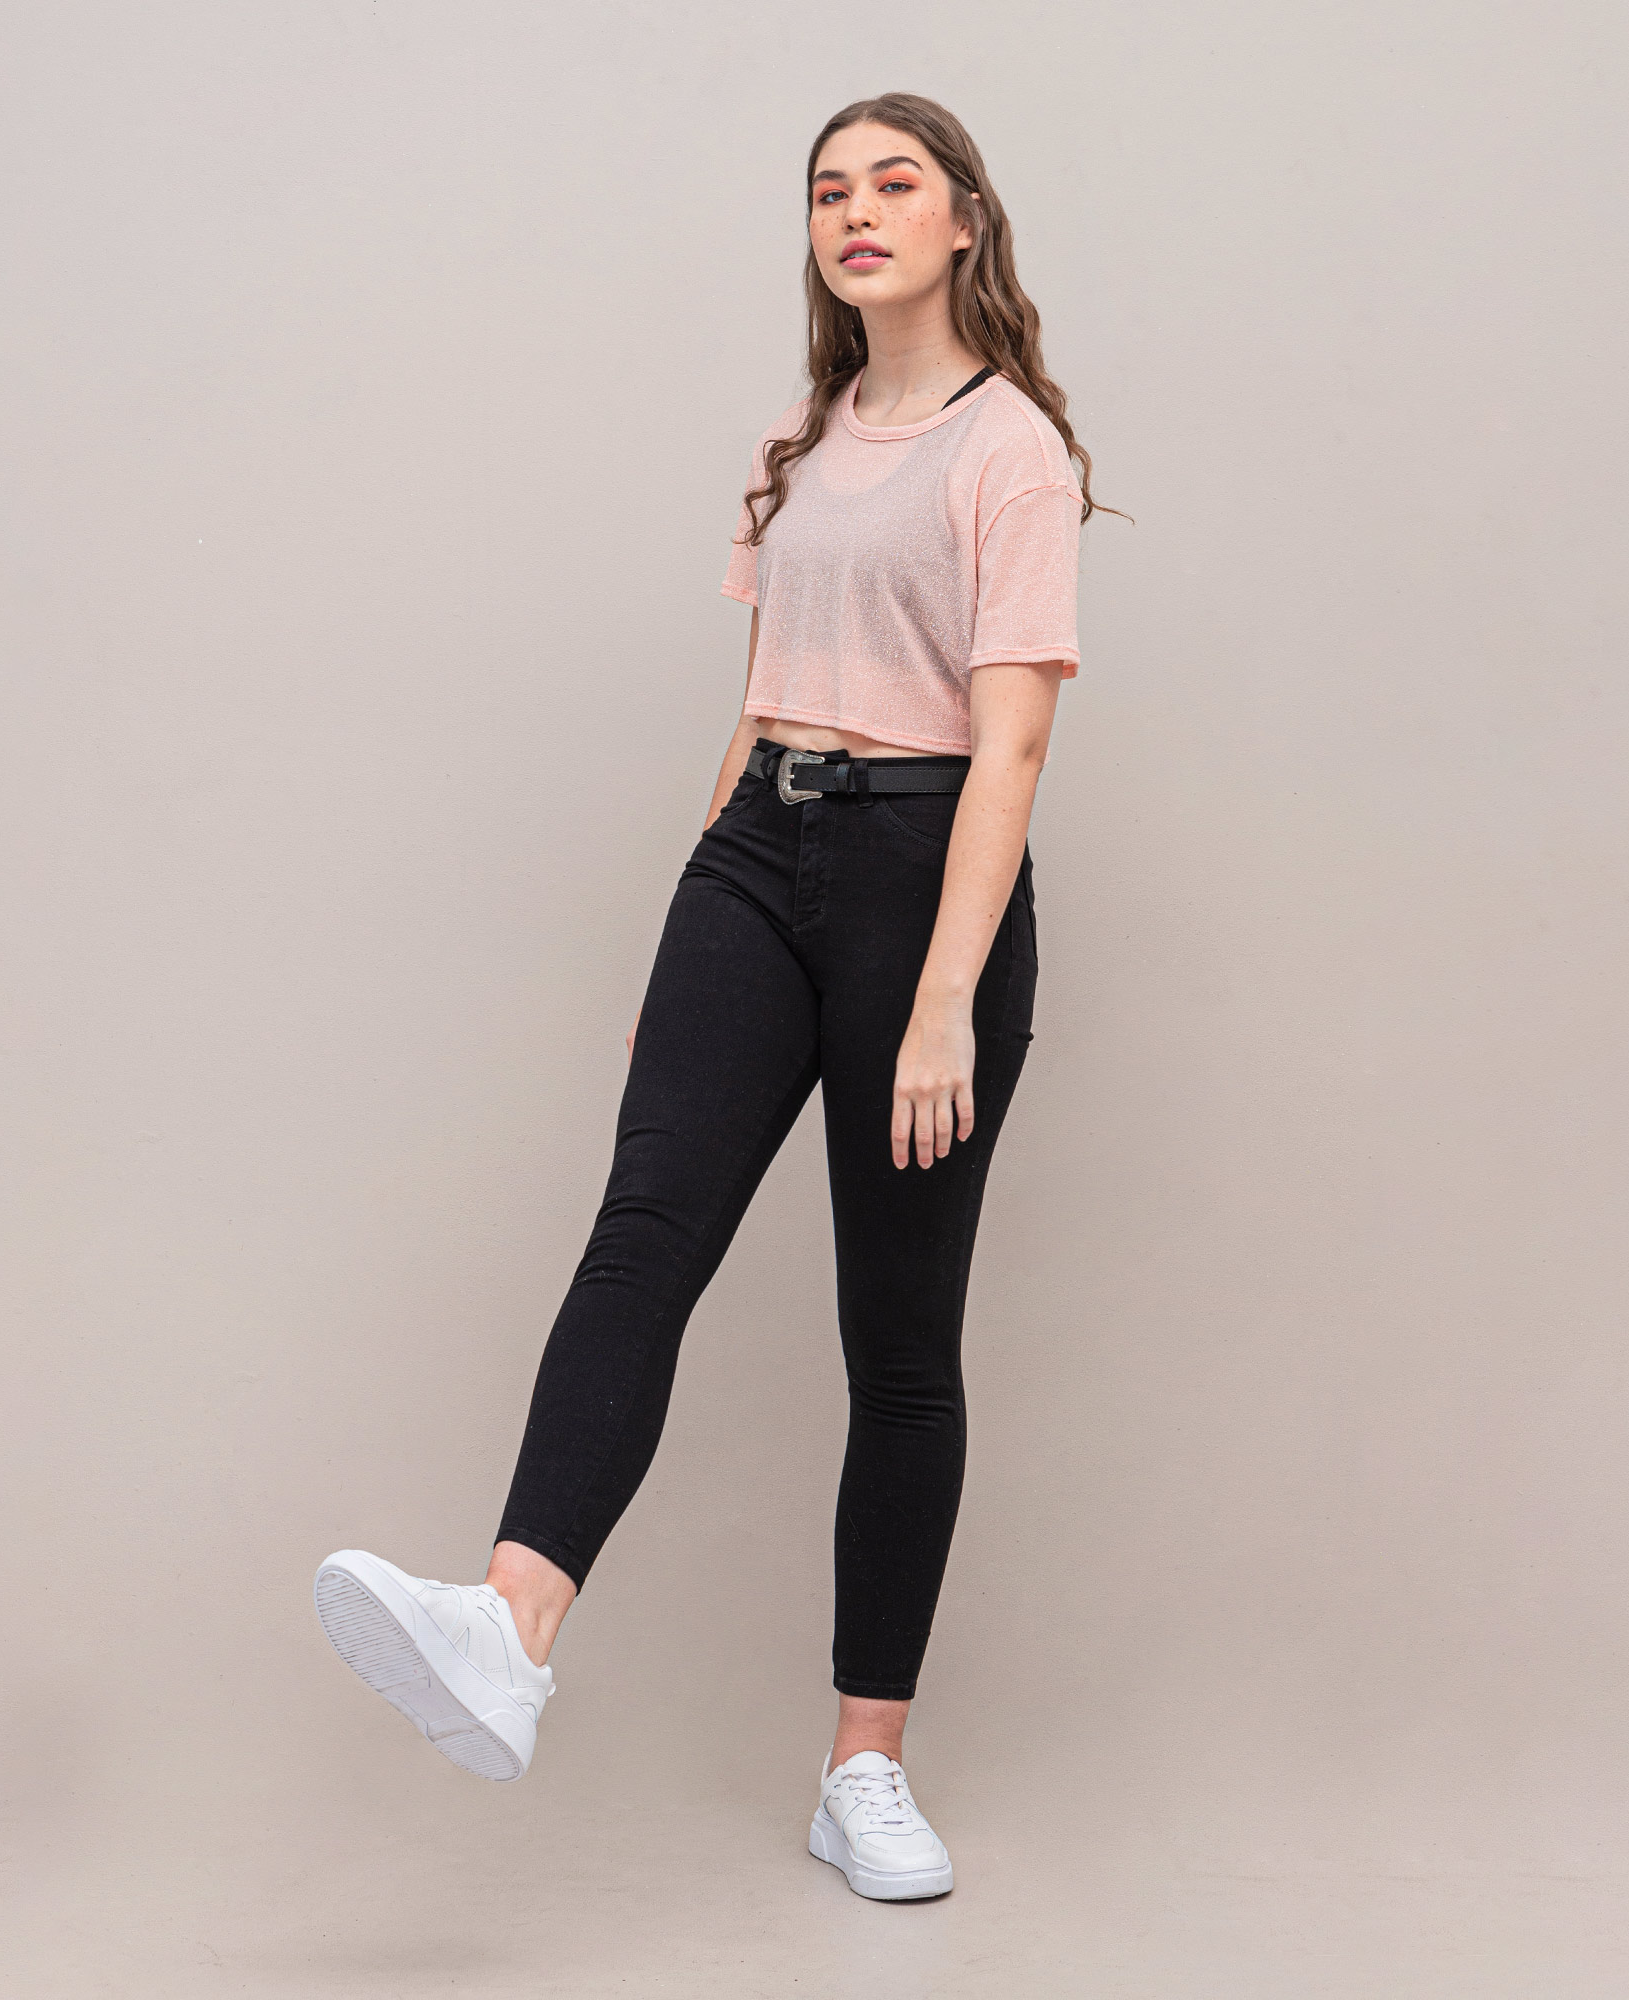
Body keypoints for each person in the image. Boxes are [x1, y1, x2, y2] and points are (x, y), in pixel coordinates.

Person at [314, 90, 1115, 1902]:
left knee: (897, 1345)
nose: (857, 211)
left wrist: (945, 997)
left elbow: (1011, 748)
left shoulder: (1013, 450)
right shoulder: (800, 436)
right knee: (643, 1232)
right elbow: (764, 696)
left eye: (894, 183)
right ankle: (510, 1631)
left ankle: (864, 1770)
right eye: (829, 190)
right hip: (758, 857)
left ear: (965, 221)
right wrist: (698, 925)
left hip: (925, 877)